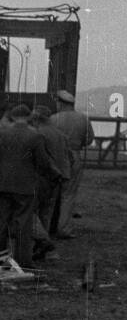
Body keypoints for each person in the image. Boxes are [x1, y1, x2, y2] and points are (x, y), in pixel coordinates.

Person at [0, 105, 63, 269]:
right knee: (23, 224)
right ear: (28, 117)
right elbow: (43, 163)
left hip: (3, 184)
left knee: (2, 223)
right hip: (25, 186)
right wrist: (55, 175)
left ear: (13, 117)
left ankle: (1, 259)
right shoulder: (35, 136)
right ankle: (23, 262)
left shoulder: (2, 133)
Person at [49, 89, 94, 238]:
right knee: (68, 195)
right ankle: (63, 229)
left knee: (52, 193)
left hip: (56, 156)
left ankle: (48, 226)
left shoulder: (53, 119)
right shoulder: (83, 119)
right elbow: (89, 140)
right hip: (74, 156)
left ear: (60, 103)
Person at [30, 106, 70, 260]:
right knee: (46, 213)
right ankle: (42, 248)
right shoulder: (60, 134)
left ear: (36, 119)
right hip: (57, 178)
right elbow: (69, 157)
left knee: (31, 211)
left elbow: (41, 159)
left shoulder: (38, 134)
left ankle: (43, 242)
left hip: (43, 177)